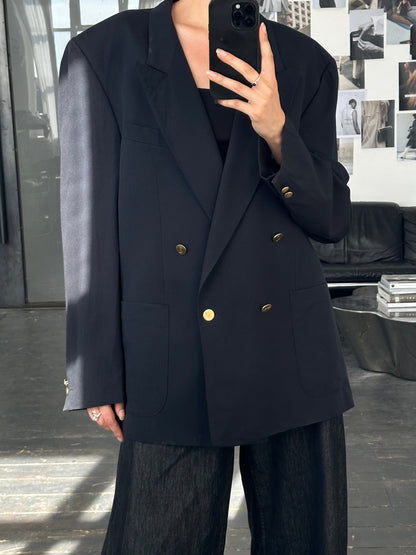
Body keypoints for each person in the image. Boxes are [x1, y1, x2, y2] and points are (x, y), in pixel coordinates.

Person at [58, 0, 354, 552]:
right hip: (170, 346)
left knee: (303, 538)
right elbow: (88, 221)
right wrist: (94, 368)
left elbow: (331, 219)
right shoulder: (102, 55)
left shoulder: (304, 62)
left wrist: (277, 131)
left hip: (287, 341)